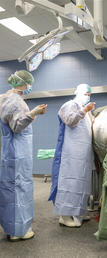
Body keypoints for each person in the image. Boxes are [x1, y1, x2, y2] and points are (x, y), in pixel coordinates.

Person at [0, 70, 47, 241]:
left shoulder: (5, 98)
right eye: (29, 83)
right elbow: (17, 125)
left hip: (10, 152)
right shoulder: (15, 101)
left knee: (10, 189)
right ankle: (18, 231)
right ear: (24, 83)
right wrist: (34, 113)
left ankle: (11, 227)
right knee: (19, 189)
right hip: (18, 152)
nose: (30, 87)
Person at [49, 83, 95, 227]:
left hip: (84, 154)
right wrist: (84, 111)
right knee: (70, 182)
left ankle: (78, 211)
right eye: (86, 93)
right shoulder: (69, 104)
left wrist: (89, 112)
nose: (88, 96)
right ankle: (64, 215)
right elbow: (70, 121)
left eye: (89, 94)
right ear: (78, 92)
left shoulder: (87, 110)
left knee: (81, 183)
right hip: (71, 153)